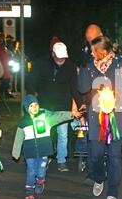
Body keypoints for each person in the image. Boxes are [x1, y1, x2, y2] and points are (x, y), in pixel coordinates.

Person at [78, 36, 122, 199]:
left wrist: (115, 98)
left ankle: (113, 191)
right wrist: (84, 69)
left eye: (94, 50)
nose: (92, 53)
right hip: (96, 118)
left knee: (114, 157)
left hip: (116, 118)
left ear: (104, 51)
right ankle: (99, 178)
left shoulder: (121, 64)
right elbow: (82, 88)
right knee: (95, 155)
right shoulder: (90, 66)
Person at [27, 37, 81, 172]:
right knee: (43, 133)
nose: (61, 61)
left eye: (63, 58)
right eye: (59, 58)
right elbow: (31, 82)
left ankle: (61, 160)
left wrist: (79, 104)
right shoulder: (41, 64)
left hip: (63, 106)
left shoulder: (70, 66)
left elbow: (74, 86)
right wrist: (32, 99)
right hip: (44, 104)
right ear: (52, 54)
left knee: (63, 134)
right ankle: (44, 157)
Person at [12, 95, 77, 199]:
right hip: (30, 151)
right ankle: (29, 190)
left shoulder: (45, 117)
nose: (35, 107)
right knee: (31, 171)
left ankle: (40, 181)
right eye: (31, 106)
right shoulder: (23, 123)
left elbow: (58, 116)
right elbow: (18, 139)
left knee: (41, 170)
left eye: (36, 104)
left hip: (44, 150)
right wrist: (16, 152)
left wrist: (70, 114)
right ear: (26, 108)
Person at [0, 33, 12, 99]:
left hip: (5, 65)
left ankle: (5, 93)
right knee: (2, 80)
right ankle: (0, 94)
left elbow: (5, 53)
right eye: (2, 38)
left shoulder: (2, 45)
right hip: (0, 65)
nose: (3, 39)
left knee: (7, 79)